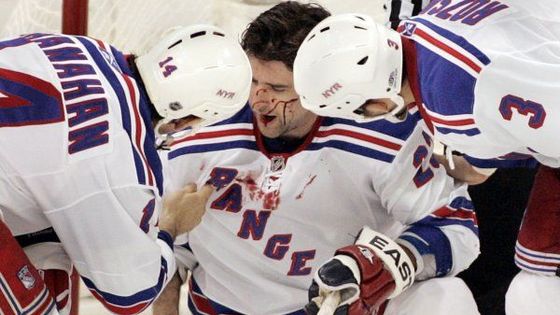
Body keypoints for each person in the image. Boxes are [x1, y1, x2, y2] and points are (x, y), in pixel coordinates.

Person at [154, 2, 481, 315]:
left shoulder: (384, 134)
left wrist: (385, 263)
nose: (258, 100)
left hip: (341, 309)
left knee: (445, 297)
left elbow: (456, 227)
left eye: (278, 89)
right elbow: (165, 246)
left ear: (318, 83)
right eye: (253, 81)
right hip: (222, 308)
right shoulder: (198, 131)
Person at [293, 1, 560, 314]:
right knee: (538, 266)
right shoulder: (425, 21)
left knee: (535, 292)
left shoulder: (454, 101)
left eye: (362, 110)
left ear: (377, 99)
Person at [0, 23, 251, 315]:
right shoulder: (123, 168)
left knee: (48, 253)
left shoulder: (77, 44)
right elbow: (130, 295)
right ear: (185, 120)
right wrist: (171, 225)